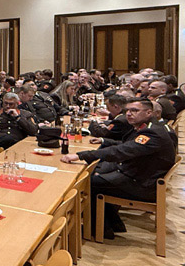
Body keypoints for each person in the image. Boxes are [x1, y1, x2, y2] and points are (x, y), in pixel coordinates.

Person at [62, 99, 176, 239]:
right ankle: (114, 224)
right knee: (97, 174)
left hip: (142, 185)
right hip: (142, 176)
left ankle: (100, 230)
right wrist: (104, 141)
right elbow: (127, 145)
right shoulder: (149, 126)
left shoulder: (152, 132)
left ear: (148, 112)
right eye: (127, 110)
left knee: (88, 183)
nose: (129, 114)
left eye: (134, 110)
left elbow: (121, 151)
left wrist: (81, 155)